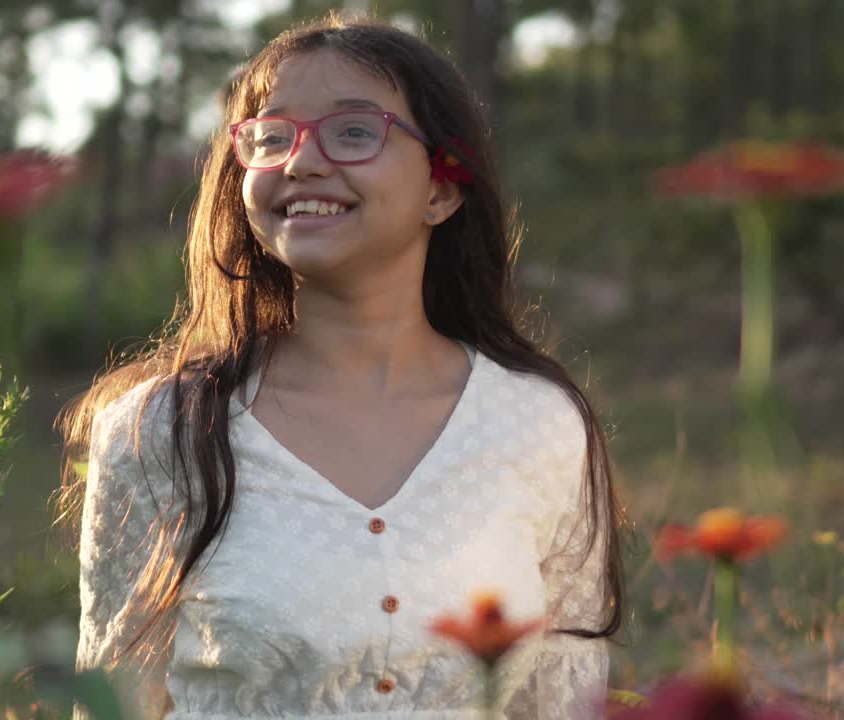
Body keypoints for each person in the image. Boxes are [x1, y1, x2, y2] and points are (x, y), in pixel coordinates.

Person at [56, 11, 627, 719]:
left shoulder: (539, 424)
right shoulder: (158, 431)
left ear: (442, 190)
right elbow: (113, 705)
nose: (300, 162)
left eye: (354, 131)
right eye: (270, 137)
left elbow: (567, 699)